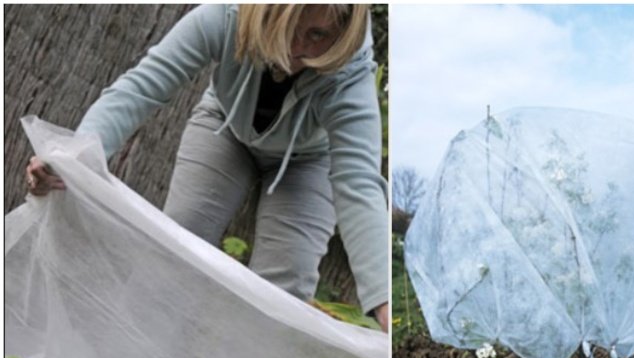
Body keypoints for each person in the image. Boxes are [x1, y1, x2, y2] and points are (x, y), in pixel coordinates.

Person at [24, 4, 389, 331]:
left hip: (309, 161)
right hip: (224, 127)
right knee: (177, 246)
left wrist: (382, 298)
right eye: (287, 28)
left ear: (342, 31)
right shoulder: (225, 16)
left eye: (317, 34)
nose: (297, 49)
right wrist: (73, 159)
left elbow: (358, 183)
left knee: (282, 294)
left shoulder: (349, 76)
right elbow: (139, 89)